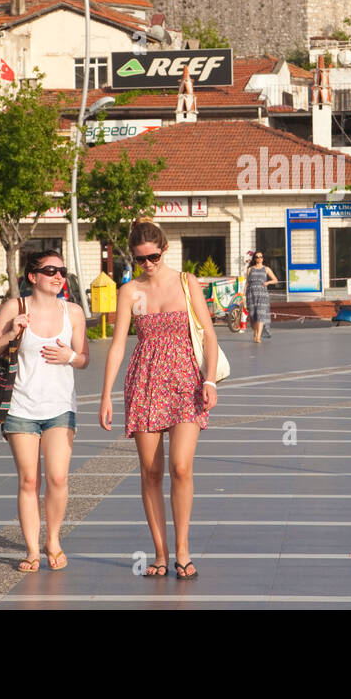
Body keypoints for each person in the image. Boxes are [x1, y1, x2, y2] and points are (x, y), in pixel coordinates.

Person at [101, 220, 219, 581]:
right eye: (140, 260)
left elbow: (210, 336)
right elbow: (119, 344)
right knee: (150, 471)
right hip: (145, 382)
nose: (148, 264)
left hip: (186, 381)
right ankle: (161, 553)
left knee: (180, 467)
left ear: (163, 249)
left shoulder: (186, 282)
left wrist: (210, 379)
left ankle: (183, 549)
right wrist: (105, 394)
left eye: (152, 256)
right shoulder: (129, 292)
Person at [0, 251, 88, 573]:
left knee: (57, 477)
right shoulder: (16, 307)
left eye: (62, 271)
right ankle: (31, 550)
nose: (59, 277)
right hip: (20, 406)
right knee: (29, 479)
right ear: (33, 276)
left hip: (60, 406)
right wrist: (11, 332)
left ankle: (53, 540)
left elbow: (84, 358)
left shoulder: (73, 312)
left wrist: (71, 356)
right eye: (50, 271)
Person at [246, 251, 278, 343]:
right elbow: (247, 283)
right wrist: (243, 296)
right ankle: (255, 333)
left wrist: (268, 282)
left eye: (261, 257)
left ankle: (258, 337)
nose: (259, 258)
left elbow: (275, 280)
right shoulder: (250, 269)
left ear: (263, 258)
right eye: (257, 257)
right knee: (253, 316)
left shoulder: (266, 269)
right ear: (254, 258)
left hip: (262, 295)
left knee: (260, 315)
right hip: (251, 294)